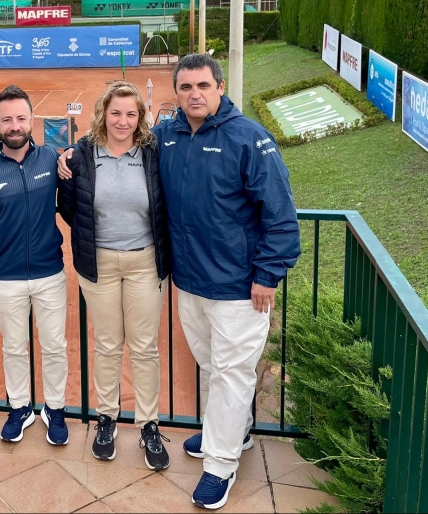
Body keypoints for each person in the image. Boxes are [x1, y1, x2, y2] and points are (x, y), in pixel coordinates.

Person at [154, 54, 300, 509]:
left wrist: (267, 276)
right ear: (176, 93)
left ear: (220, 87)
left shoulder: (251, 139)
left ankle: (219, 465)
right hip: (190, 284)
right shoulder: (167, 136)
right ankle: (232, 433)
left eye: (202, 85)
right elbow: (118, 147)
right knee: (213, 367)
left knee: (232, 374)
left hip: (241, 289)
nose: (194, 94)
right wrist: (66, 158)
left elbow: (280, 216)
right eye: (185, 87)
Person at [57, 81, 172, 468]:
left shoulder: (154, 154)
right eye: (116, 112)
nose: (122, 121)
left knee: (144, 348)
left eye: (131, 113)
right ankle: (107, 418)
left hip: (145, 263)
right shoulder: (81, 155)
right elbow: (69, 208)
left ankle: (149, 425)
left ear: (140, 118)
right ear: (103, 113)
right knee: (107, 345)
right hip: (99, 263)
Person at [0, 85, 70, 446]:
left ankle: (54, 409)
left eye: (21, 118)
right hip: (7, 277)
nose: (15, 125)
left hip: (50, 274)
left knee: (55, 346)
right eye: (7, 119)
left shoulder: (50, 160)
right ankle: (20, 407)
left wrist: (69, 152)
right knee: (13, 348)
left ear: (32, 121)